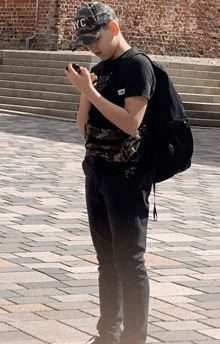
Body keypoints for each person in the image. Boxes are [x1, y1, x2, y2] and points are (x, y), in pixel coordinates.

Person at [65, 2, 156, 344]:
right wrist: (85, 92)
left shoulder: (137, 66)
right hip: (98, 173)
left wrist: (89, 91)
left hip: (128, 178)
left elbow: (132, 123)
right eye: (85, 41)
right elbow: (83, 127)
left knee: (129, 262)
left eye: (94, 38)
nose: (91, 47)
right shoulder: (100, 68)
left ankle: (134, 338)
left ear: (113, 29)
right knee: (106, 261)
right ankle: (107, 334)